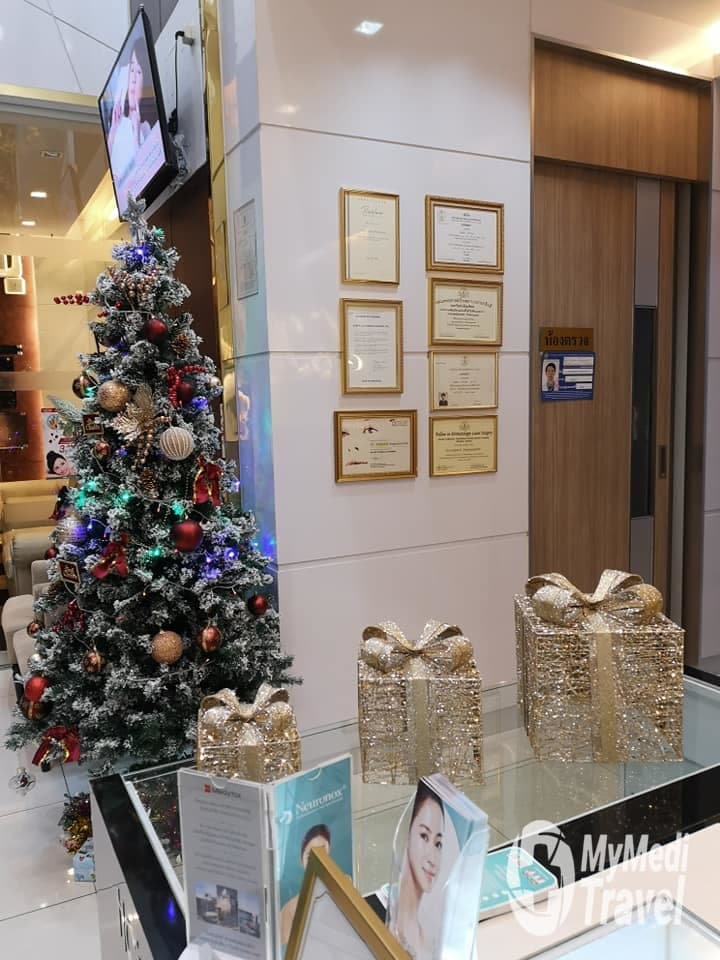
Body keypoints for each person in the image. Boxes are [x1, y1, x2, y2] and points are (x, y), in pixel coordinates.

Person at [393, 781, 444, 960]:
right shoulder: (394, 925)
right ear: (407, 835)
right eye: (424, 836)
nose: (432, 858)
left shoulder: (431, 942)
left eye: (438, 844)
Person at [106, 40, 157, 181]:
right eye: (132, 70)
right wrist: (113, 129)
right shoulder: (117, 123)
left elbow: (145, 176)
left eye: (139, 72)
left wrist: (136, 137)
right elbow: (109, 170)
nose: (133, 79)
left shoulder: (148, 129)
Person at [279, 823, 331, 947]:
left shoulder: (345, 889)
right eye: (310, 856)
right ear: (301, 859)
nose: (317, 862)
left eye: (322, 853)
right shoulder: (290, 910)